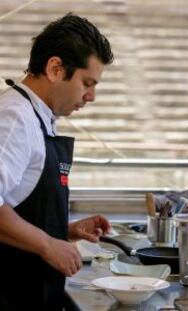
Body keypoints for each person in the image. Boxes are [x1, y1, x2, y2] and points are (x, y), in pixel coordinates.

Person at [0, 13, 113, 309]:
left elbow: (16, 202)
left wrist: (63, 230)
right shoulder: (15, 119)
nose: (91, 97)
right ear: (55, 68)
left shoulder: (40, 118)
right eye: (87, 83)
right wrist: (48, 244)